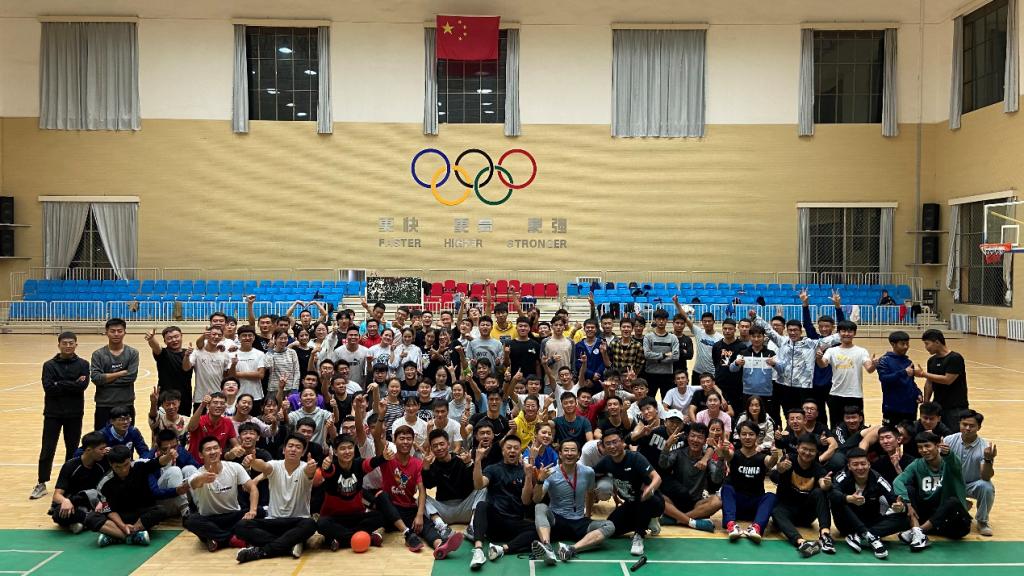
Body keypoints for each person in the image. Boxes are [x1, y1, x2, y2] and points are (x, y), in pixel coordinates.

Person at [234, 434, 320, 562]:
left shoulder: (305, 468)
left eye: (298, 447)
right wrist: (253, 462)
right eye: (290, 446)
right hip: (273, 520)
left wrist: (311, 468)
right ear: (284, 450)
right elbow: (263, 466)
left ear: (303, 452)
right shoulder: (275, 465)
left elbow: (309, 472)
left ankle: (262, 551)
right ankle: (289, 545)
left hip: (297, 522)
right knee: (241, 526)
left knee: (310, 524)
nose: (293, 449)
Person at [531, 439, 616, 564]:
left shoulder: (588, 472)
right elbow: (536, 499)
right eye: (566, 450)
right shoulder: (551, 473)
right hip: (557, 519)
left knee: (609, 526)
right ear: (560, 454)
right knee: (539, 507)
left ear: (579, 455)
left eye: (573, 450)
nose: (569, 453)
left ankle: (570, 549)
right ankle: (547, 548)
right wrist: (540, 481)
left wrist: (587, 515)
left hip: (579, 521)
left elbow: (590, 493)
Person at [33, 331, 90, 500]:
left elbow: (82, 386)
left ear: (76, 344)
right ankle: (41, 482)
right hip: (53, 413)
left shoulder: (83, 364)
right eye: (64, 343)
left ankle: (68, 484)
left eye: (71, 343)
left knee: (72, 450)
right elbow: (49, 388)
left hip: (75, 413)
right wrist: (72, 383)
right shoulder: (49, 365)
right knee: (47, 448)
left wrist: (59, 383)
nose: (68, 346)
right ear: (59, 345)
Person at [468, 435, 539, 570]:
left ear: (520, 451)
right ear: (503, 451)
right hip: (495, 523)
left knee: (538, 529)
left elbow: (525, 501)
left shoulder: (524, 470)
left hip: (514, 524)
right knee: (481, 505)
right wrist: (477, 461)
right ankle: (478, 551)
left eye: (516, 448)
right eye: (509, 448)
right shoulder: (493, 469)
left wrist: (529, 476)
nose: (512, 451)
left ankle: (502, 549)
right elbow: (478, 485)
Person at [894, 431, 972, 550]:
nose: (924, 450)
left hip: (952, 522)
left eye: (927, 446)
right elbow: (898, 481)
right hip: (929, 519)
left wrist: (948, 453)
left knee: (953, 502)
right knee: (909, 490)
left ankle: (917, 531)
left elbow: (954, 462)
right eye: (920, 447)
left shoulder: (950, 463)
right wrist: (907, 503)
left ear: (937, 446)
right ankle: (918, 532)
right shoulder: (917, 464)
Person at [752, 310, 839, 416]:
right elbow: (769, 330)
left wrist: (846, 332)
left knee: (804, 415)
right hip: (785, 386)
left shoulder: (811, 344)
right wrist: (755, 318)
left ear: (801, 331)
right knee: (788, 414)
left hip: (804, 387)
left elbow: (833, 338)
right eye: (790, 330)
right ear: (787, 330)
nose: (793, 333)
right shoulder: (782, 342)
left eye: (795, 330)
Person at [87, 445, 177, 547]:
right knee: (91, 518)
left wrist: (168, 456)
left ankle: (115, 535)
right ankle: (132, 536)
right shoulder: (104, 483)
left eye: (126, 465)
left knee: (161, 511)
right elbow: (108, 510)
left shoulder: (139, 466)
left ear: (130, 460)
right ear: (111, 464)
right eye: (118, 467)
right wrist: (123, 526)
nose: (123, 470)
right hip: (119, 517)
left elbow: (158, 462)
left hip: (142, 515)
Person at [593, 430, 664, 557]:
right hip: (631, 504)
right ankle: (647, 522)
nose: (612, 446)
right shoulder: (606, 462)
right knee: (612, 529)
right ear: (604, 446)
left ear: (622, 442)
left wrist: (650, 489)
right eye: (608, 444)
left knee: (644, 500)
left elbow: (657, 478)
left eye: (615, 442)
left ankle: (639, 535)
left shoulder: (635, 458)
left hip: (651, 501)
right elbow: (591, 474)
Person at [829, 448, 907, 559]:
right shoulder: (843, 476)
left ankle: (861, 535)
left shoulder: (878, 478)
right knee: (838, 500)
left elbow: (893, 498)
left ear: (869, 464)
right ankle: (869, 536)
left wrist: (900, 507)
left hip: (870, 523)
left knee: (903, 518)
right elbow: (832, 493)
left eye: (863, 463)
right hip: (847, 524)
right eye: (855, 464)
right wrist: (848, 498)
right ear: (849, 466)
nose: (860, 467)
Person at [183, 436, 258, 552]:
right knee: (191, 521)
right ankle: (231, 539)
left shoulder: (234, 467)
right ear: (201, 455)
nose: (213, 452)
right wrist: (202, 478)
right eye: (208, 449)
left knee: (260, 512)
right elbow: (193, 483)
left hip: (233, 516)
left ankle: (215, 538)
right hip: (210, 519)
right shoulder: (198, 474)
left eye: (215, 448)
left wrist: (253, 510)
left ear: (221, 450)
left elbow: (252, 488)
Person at [315, 434, 388, 551]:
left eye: (350, 448)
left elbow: (372, 462)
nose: (347, 451)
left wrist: (383, 457)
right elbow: (328, 472)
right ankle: (367, 538)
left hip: (356, 516)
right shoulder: (332, 466)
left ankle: (339, 540)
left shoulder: (359, 464)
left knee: (379, 517)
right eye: (342, 449)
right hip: (334, 517)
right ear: (335, 452)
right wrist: (326, 467)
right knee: (321, 524)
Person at [769, 433, 835, 558]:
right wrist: (781, 468)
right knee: (776, 511)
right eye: (804, 449)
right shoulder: (788, 460)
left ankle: (825, 535)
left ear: (816, 452)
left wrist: (826, 484)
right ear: (798, 448)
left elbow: (823, 484)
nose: (807, 453)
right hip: (787, 510)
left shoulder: (818, 468)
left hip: (806, 515)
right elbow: (776, 473)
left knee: (820, 492)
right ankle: (801, 543)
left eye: (812, 450)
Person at [720, 421, 780, 542]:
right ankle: (731, 525)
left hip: (755, 506)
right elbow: (727, 455)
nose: (747, 437)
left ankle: (756, 528)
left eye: (751, 434)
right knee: (726, 488)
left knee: (771, 496)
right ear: (739, 436)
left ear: (757, 436)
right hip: (736, 505)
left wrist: (775, 456)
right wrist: (724, 449)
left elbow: (770, 463)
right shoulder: (734, 455)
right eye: (744, 434)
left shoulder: (762, 457)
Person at [423, 429, 483, 543]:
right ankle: (441, 527)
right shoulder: (433, 465)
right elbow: (428, 485)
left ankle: (473, 526)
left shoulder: (460, 459)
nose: (439, 448)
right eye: (435, 446)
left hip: (465, 507)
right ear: (431, 449)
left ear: (448, 444)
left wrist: (469, 464)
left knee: (483, 488)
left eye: (442, 444)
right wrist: (426, 468)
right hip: (445, 510)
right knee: (421, 499)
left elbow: (473, 484)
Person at [943, 409, 996, 536]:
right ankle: (962, 504)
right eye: (964, 424)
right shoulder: (948, 440)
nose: (967, 428)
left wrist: (988, 459)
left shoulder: (984, 447)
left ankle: (982, 521)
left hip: (972, 484)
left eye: (972, 426)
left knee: (987, 486)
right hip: (952, 484)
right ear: (959, 424)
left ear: (979, 427)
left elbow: (985, 476)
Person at [48, 431, 108, 533]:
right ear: (88, 450)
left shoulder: (102, 465)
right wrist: (65, 501)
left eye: (105, 448)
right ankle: (91, 520)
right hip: (73, 503)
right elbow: (57, 495)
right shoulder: (70, 466)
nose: (104, 451)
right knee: (58, 514)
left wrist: (103, 503)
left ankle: (82, 522)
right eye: (101, 449)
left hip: (94, 503)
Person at [816, 320, 874, 426]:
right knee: (836, 426)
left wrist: (874, 364)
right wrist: (818, 358)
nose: (846, 334)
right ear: (839, 333)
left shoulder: (861, 351)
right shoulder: (831, 351)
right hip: (835, 394)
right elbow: (822, 364)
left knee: (857, 426)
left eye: (850, 331)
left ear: (854, 333)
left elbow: (869, 369)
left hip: (855, 394)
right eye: (843, 331)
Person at [90, 318, 140, 431]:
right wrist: (120, 373)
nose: (116, 334)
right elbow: (96, 378)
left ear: (124, 332)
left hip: (126, 403)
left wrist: (105, 379)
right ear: (106, 332)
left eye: (119, 331)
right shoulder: (98, 354)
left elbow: (130, 378)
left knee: (126, 438)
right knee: (102, 439)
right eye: (112, 331)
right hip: (104, 404)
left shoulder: (132, 353)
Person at [918, 330, 969, 430]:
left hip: (955, 407)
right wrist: (926, 403)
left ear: (937, 342)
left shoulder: (955, 358)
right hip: (938, 406)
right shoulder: (931, 361)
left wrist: (923, 374)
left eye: (927, 344)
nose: (926, 347)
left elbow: (948, 380)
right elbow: (929, 382)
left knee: (953, 435)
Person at [183, 325, 235, 413]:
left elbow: (227, 375)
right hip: (200, 398)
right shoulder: (197, 352)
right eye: (214, 334)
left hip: (218, 399)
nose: (216, 337)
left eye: (219, 335)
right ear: (208, 335)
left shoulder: (224, 354)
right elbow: (186, 368)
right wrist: (187, 355)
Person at [875, 331, 921, 426]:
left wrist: (918, 393)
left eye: (907, 344)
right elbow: (884, 378)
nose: (906, 347)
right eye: (902, 344)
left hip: (910, 407)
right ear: (893, 344)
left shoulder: (908, 362)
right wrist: (903, 372)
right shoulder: (884, 361)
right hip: (892, 407)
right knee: (890, 433)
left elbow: (911, 382)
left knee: (909, 433)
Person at [146, 326, 194, 416]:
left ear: (181, 336)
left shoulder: (189, 353)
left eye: (176, 336)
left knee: (183, 423)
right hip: (165, 398)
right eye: (169, 338)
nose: (174, 340)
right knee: (162, 422)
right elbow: (156, 347)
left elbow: (187, 368)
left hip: (185, 397)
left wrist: (187, 355)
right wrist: (151, 339)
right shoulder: (163, 353)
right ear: (165, 341)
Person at [187, 391, 240, 462]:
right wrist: (202, 405)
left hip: (216, 463)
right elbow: (191, 428)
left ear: (225, 407)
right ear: (208, 406)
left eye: (222, 403)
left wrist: (236, 450)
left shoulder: (227, 422)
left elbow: (236, 445)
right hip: (194, 463)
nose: (219, 406)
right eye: (215, 403)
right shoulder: (199, 420)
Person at [643, 308, 680, 398]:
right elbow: (647, 354)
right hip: (651, 374)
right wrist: (664, 355)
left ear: (667, 320)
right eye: (659, 319)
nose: (661, 321)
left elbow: (675, 356)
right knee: (649, 401)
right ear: (655, 320)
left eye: (663, 319)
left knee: (667, 402)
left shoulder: (673, 338)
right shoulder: (648, 337)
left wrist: (657, 359)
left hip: (667, 375)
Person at [711, 318, 747, 410]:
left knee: (736, 412)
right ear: (722, 329)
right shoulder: (716, 346)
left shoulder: (741, 347)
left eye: (730, 329)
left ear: (735, 330)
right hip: (720, 385)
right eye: (725, 328)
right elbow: (716, 363)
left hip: (736, 386)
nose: (727, 331)